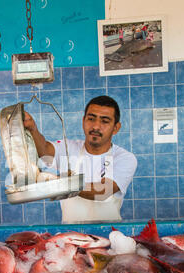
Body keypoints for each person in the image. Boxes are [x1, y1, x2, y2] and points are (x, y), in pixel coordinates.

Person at [23, 95, 137, 223]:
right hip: (71, 236)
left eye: (104, 121)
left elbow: (102, 191)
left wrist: (59, 184)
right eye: (91, 119)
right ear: (83, 121)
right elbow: (44, 150)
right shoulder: (68, 148)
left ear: (116, 128)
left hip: (107, 235)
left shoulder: (124, 158)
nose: (96, 126)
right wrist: (32, 128)